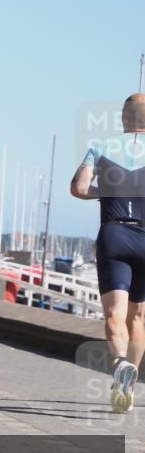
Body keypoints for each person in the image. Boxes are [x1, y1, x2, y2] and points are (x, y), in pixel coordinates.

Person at [71, 92, 145, 413]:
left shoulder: (100, 147)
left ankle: (119, 367)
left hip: (114, 232)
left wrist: (107, 192)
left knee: (114, 315)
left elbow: (78, 188)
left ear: (124, 119)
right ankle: (129, 376)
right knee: (139, 316)